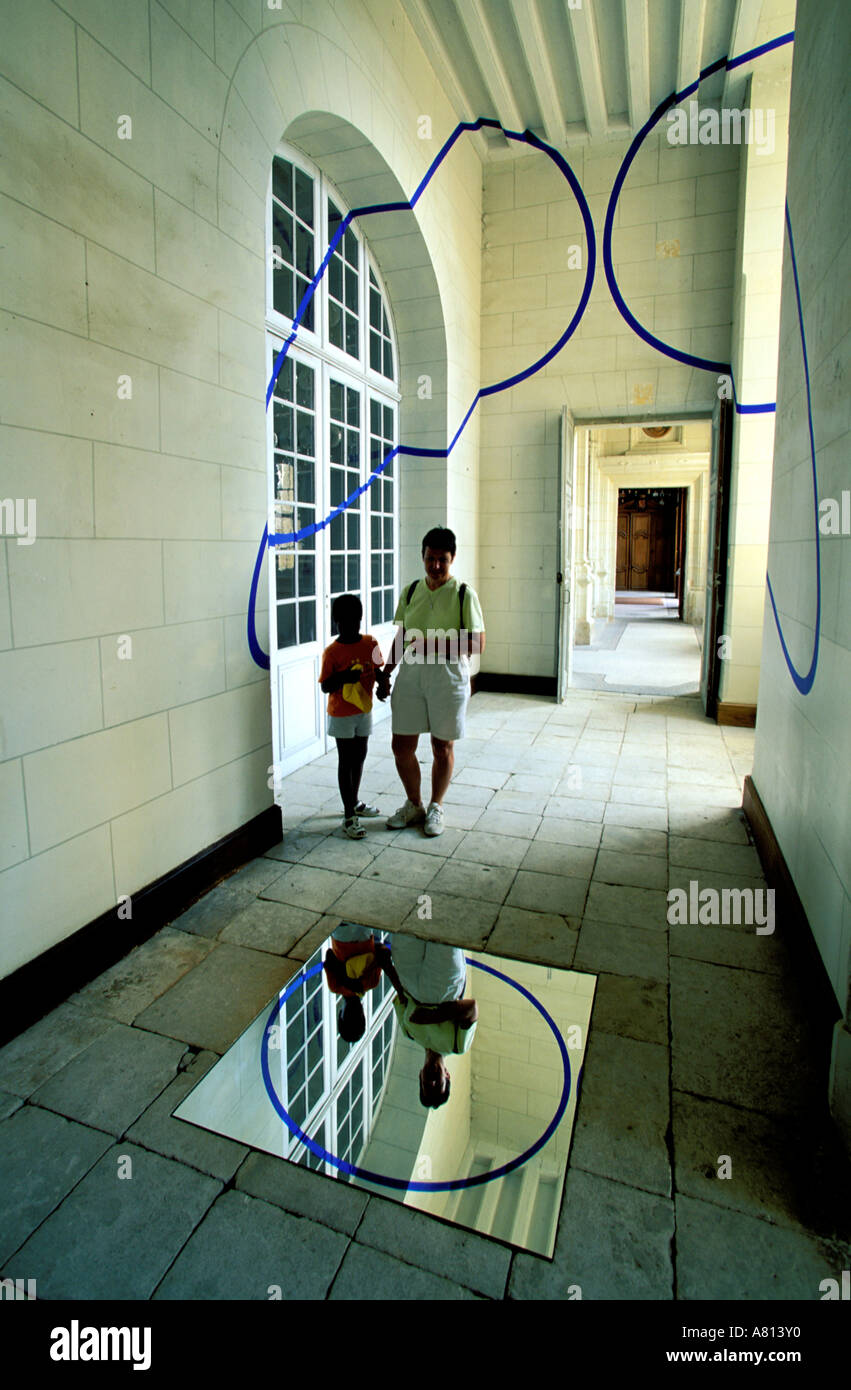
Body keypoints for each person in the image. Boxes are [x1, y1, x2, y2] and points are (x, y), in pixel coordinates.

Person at [375, 526, 485, 838]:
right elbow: (401, 639)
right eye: (430, 558)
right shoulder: (410, 591)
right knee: (401, 746)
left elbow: (478, 643)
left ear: (452, 559)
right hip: (411, 675)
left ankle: (436, 806)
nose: (435, 565)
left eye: (442, 560)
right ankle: (414, 804)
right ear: (422, 557)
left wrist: (431, 646)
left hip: (447, 677)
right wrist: (386, 673)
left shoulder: (464, 594)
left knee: (442, 745)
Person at [374, 935, 478, 1108]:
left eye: (426, 1086)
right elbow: (471, 1009)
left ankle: (422, 906)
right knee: (437, 921)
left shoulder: (409, 1034)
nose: (431, 1082)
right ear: (447, 1076)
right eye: (438, 1085)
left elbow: (401, 995)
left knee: (414, 918)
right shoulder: (457, 1046)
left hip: (409, 978)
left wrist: (386, 966)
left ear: (420, 1076)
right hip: (443, 985)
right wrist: (432, 1017)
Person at [318, 593, 384, 840]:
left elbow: (379, 671)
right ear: (336, 621)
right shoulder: (332, 652)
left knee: (360, 755)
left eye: (354, 621)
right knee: (346, 760)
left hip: (363, 710)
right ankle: (348, 815)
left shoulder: (370, 643)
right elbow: (325, 686)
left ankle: (354, 802)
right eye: (343, 622)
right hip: (342, 714)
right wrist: (344, 677)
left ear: (361, 619)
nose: (349, 627)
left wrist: (383, 687)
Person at [322, 922, 383, 1044]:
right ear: (340, 1014)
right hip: (341, 936)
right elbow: (329, 954)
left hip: (364, 934)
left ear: (363, 1014)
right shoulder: (336, 986)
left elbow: (380, 949)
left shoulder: (372, 982)